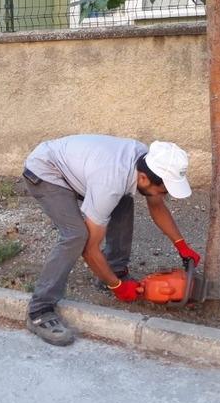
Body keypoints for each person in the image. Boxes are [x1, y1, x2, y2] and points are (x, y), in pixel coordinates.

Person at [22, 134, 200, 346]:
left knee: (123, 203)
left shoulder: (149, 162)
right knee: (76, 235)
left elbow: (157, 205)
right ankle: (39, 309)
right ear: (144, 178)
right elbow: (90, 249)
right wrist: (117, 286)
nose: (164, 195)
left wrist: (182, 245)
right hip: (46, 171)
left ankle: (114, 270)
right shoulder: (111, 182)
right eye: (163, 190)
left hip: (80, 168)